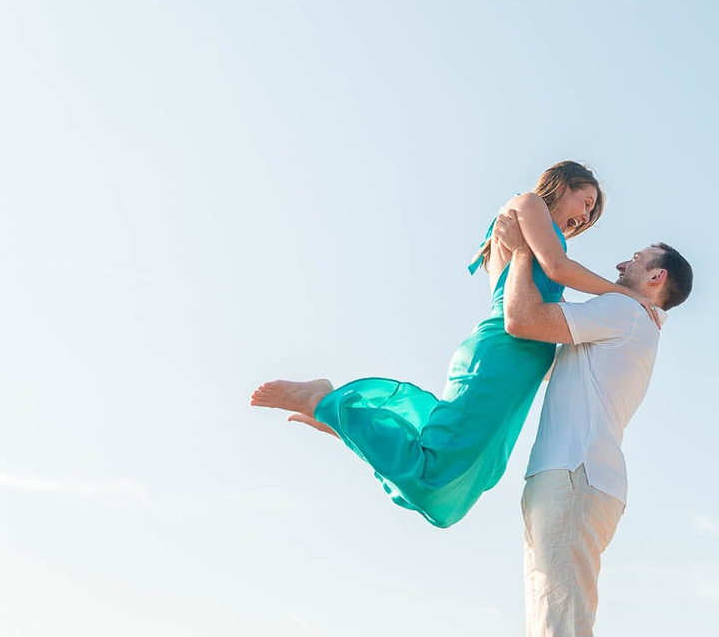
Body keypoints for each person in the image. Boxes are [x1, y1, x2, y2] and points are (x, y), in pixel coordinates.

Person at [476, 227, 693, 637]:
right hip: (570, 480)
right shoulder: (632, 315)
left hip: (574, 479)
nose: (624, 259)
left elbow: (522, 319)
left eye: (639, 257)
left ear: (656, 279)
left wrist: (520, 247)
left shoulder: (624, 311)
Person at [251, 162, 621, 528]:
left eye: (591, 210)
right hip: (504, 353)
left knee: (469, 479)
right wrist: (626, 295)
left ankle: (342, 420)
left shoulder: (538, 236)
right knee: (437, 478)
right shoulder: (528, 204)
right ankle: (329, 404)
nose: (586, 215)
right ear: (562, 184)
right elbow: (556, 269)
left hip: (522, 366)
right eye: (585, 201)